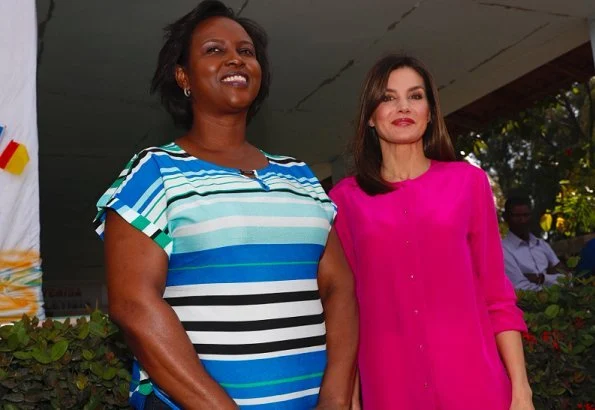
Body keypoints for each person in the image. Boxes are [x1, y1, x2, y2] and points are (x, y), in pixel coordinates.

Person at [93, 1, 358, 408]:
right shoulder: (154, 172)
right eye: (214, 49)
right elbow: (133, 305)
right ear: (183, 76)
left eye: (246, 51)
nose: (235, 57)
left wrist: (336, 399)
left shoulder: (301, 177)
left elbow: (338, 287)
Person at [329, 54, 533, 410]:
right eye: (388, 97)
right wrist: (352, 398)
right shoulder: (345, 201)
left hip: (476, 386)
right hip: (391, 390)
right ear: (371, 118)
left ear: (430, 110)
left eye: (415, 95)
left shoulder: (468, 183)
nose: (403, 106)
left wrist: (521, 391)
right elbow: (346, 312)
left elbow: (496, 295)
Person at [502, 196, 565, 291]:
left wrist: (541, 278)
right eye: (517, 216)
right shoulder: (503, 249)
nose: (522, 220)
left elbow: (567, 279)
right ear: (506, 218)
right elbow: (519, 287)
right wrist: (552, 278)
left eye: (526, 215)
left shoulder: (541, 245)